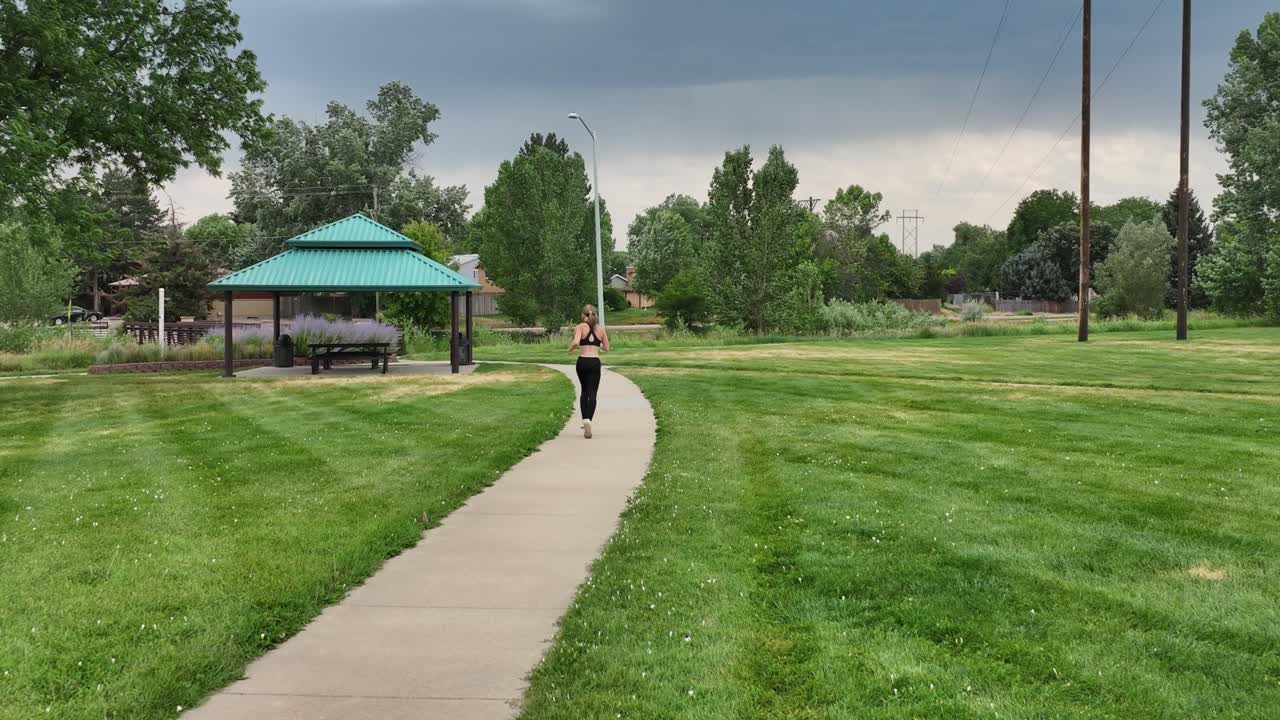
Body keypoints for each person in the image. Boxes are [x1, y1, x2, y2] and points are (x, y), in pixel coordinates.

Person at [567, 304, 609, 438]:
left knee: (584, 390)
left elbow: (575, 342)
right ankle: (588, 421)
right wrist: (596, 346)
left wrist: (569, 350)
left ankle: (584, 419)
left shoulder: (580, 327)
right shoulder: (600, 329)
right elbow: (607, 347)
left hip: (582, 362)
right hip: (595, 362)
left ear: (583, 315)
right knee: (593, 393)